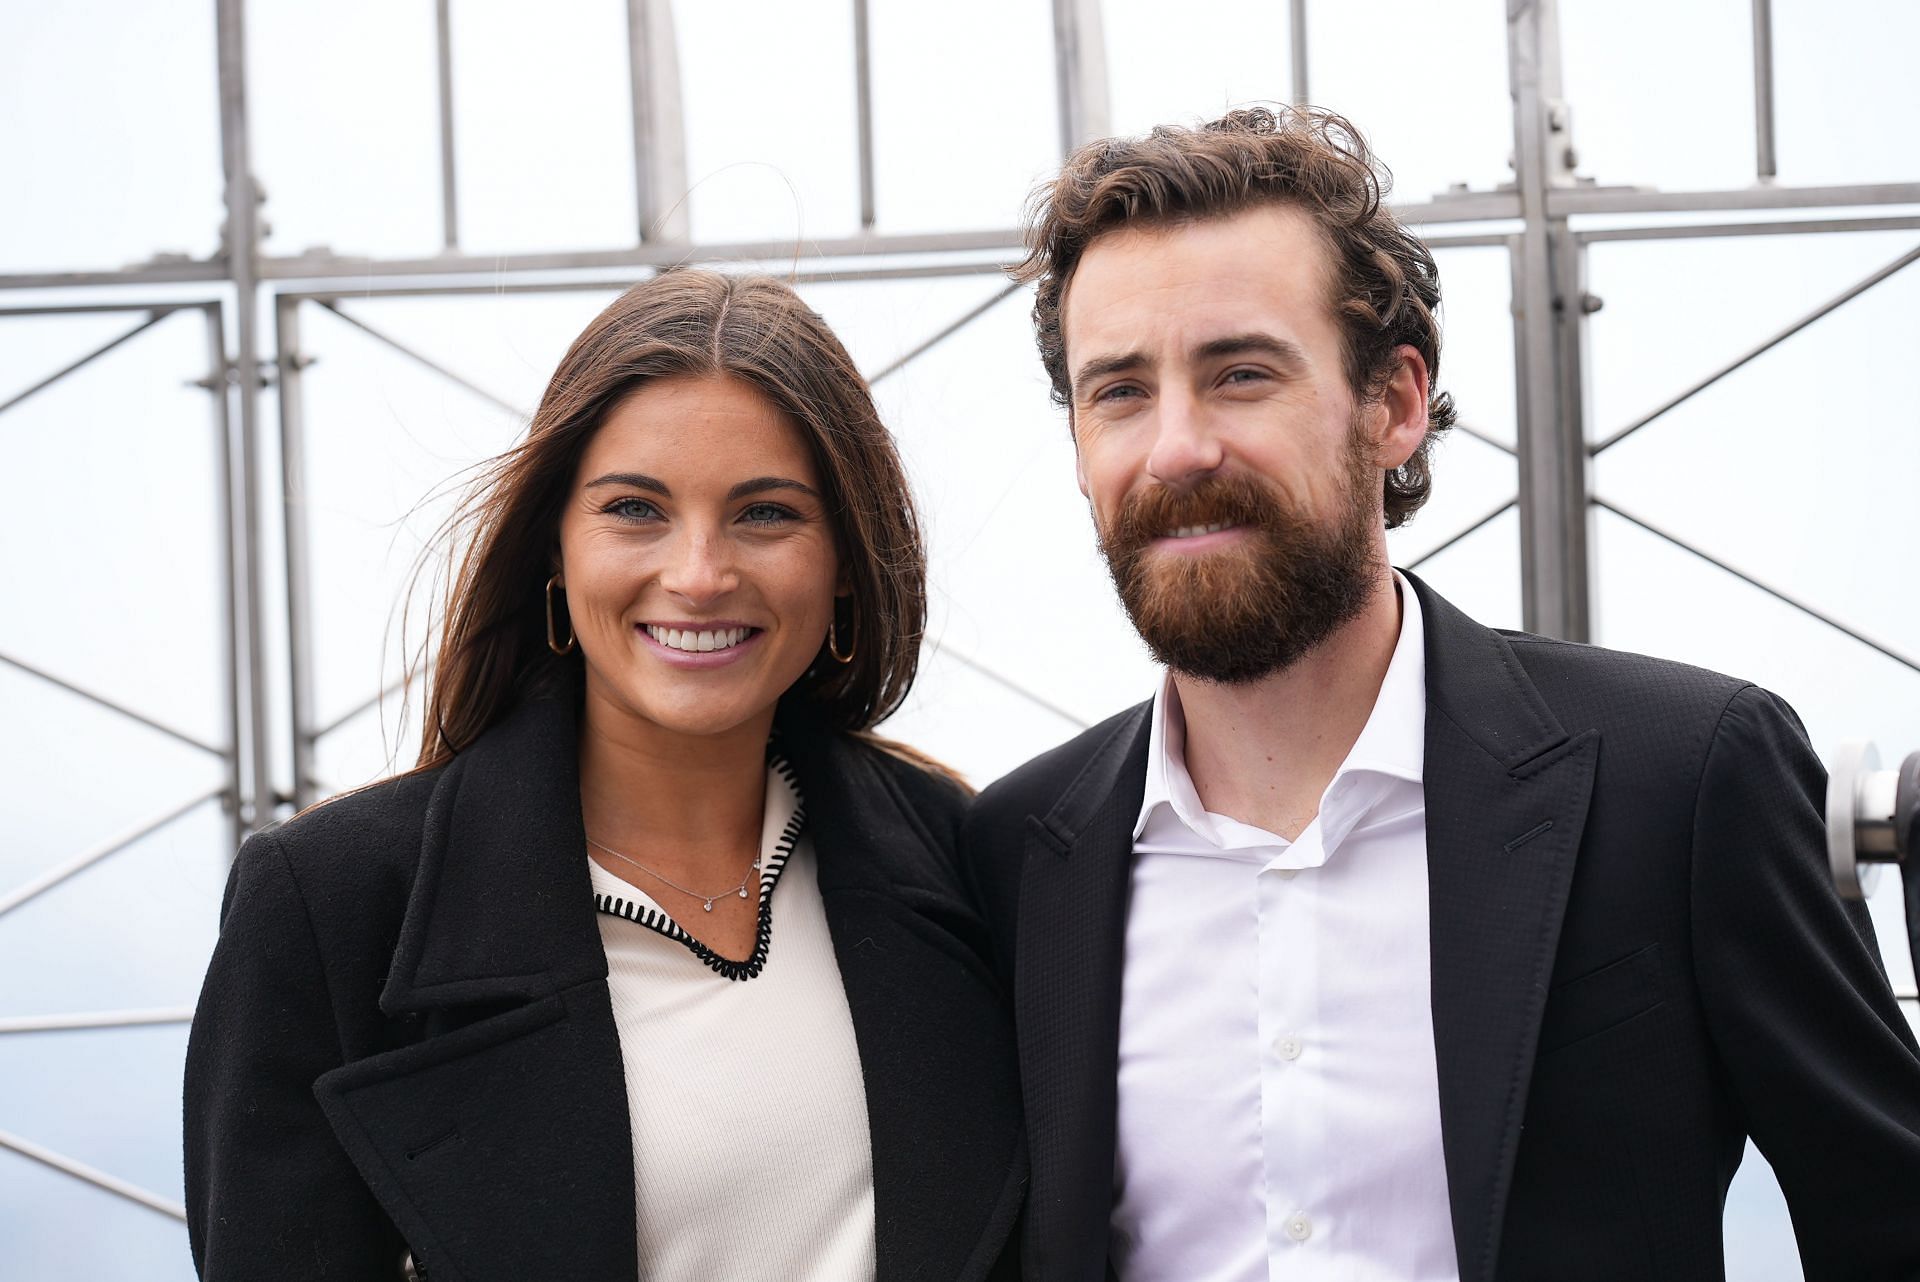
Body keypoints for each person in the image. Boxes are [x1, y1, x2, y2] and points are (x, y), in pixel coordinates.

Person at [962, 107, 1920, 1282]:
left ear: (1396, 403)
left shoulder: (1685, 774)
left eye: (1241, 374)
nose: (1176, 448)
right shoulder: (1015, 856)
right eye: (1118, 392)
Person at [184, 271, 1024, 1281]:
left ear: (847, 557)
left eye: (765, 513)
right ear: (555, 546)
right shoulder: (331, 907)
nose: (700, 572)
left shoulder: (971, 858)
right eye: (636, 509)